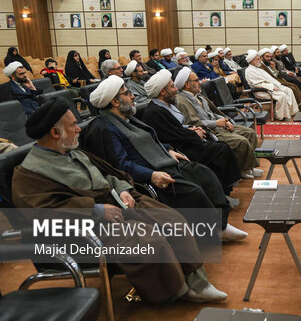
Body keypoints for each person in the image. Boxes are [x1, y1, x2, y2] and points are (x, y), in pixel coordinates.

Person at [13, 99, 228, 303]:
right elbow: (43, 214)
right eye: (73, 125)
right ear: (54, 132)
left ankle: (197, 282)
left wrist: (123, 188)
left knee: (171, 218)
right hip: (84, 228)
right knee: (148, 239)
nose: (79, 129)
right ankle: (176, 290)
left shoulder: (71, 151)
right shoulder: (28, 173)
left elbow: (108, 174)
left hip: (116, 201)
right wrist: (96, 210)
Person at [80, 76, 247, 241]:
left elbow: (149, 138)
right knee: (193, 191)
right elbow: (119, 165)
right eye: (127, 93)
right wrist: (151, 175)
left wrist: (167, 150)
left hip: (163, 160)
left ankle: (220, 225)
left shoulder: (127, 117)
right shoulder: (104, 128)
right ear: (115, 102)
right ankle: (213, 231)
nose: (132, 96)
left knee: (205, 174)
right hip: (151, 174)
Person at [141, 70, 242, 193]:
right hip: (178, 149)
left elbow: (178, 127)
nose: (176, 89)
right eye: (172, 86)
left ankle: (223, 189)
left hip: (185, 140)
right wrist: (194, 133)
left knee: (221, 147)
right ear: (162, 91)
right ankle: (221, 191)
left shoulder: (167, 104)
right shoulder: (154, 111)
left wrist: (190, 129)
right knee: (220, 151)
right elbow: (172, 135)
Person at [174, 67, 262, 179]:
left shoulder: (198, 95)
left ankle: (249, 166)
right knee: (241, 142)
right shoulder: (182, 101)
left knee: (250, 132)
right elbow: (195, 123)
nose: (200, 82)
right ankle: (242, 170)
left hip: (219, 125)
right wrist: (216, 123)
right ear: (187, 84)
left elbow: (213, 112)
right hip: (210, 131)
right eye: (196, 80)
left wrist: (225, 120)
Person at [245, 50, 298, 121]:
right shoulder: (250, 71)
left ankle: (291, 112)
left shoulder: (257, 68)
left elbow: (270, 78)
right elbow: (257, 84)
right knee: (282, 95)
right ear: (252, 61)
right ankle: (281, 116)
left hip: (269, 88)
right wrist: (272, 87)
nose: (259, 61)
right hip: (261, 91)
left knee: (289, 90)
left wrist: (277, 85)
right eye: (258, 59)